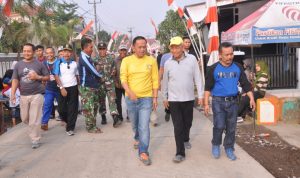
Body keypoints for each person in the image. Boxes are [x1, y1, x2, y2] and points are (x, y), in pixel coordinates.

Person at [204, 42, 255, 161]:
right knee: (219, 126)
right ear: (220, 55)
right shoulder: (213, 68)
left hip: (233, 102)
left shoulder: (237, 67)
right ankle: (216, 144)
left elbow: (245, 84)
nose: (230, 57)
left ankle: (229, 147)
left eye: (231, 54)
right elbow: (207, 88)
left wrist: (251, 98)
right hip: (218, 102)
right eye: (226, 55)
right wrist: (206, 104)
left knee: (231, 127)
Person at [162, 36, 204, 163]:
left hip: (189, 98)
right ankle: (180, 152)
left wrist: (201, 95)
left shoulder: (191, 60)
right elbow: (165, 81)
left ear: (182, 47)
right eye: (172, 48)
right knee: (178, 126)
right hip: (174, 100)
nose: (174, 50)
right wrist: (165, 97)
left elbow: (198, 77)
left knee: (188, 123)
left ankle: (186, 139)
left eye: (176, 47)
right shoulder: (168, 63)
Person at [120, 36, 159, 166]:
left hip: (146, 98)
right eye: (139, 47)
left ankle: (143, 151)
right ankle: (137, 137)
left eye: (144, 47)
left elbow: (155, 79)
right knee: (135, 125)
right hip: (131, 99)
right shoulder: (126, 61)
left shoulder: (152, 60)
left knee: (144, 126)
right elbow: (123, 79)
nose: (142, 49)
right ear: (133, 47)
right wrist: (130, 93)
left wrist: (154, 98)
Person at [11, 43, 50, 149]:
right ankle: (34, 129)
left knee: (34, 118)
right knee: (24, 118)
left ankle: (35, 139)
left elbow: (47, 77)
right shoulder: (18, 65)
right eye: (24, 51)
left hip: (37, 94)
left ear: (33, 52)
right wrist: (13, 94)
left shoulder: (39, 64)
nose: (26, 53)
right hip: (23, 95)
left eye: (29, 51)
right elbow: (15, 80)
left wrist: (37, 76)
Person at [78, 38, 103, 133]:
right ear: (85, 48)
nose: (92, 49)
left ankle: (93, 125)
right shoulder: (83, 57)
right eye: (91, 47)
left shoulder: (87, 57)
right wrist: (101, 76)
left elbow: (93, 65)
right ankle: (90, 127)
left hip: (93, 86)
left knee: (95, 106)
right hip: (87, 88)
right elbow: (93, 70)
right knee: (88, 108)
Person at [53, 44, 79, 136]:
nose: (67, 53)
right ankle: (67, 120)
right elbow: (56, 75)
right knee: (61, 109)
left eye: (68, 51)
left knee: (73, 108)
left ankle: (70, 128)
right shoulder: (58, 62)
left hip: (73, 87)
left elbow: (76, 75)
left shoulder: (74, 63)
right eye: (65, 51)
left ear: (71, 53)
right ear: (62, 53)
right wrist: (61, 88)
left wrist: (79, 87)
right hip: (62, 88)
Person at [94, 42, 121, 127]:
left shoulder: (111, 58)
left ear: (106, 49)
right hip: (100, 84)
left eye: (103, 49)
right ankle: (103, 117)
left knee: (112, 100)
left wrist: (113, 72)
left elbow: (114, 69)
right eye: (100, 49)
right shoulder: (95, 60)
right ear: (98, 50)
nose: (102, 50)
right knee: (101, 101)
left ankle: (115, 117)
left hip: (110, 83)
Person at [40, 47, 60, 131]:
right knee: (47, 105)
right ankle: (44, 123)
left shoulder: (59, 61)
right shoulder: (44, 63)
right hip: (49, 88)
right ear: (45, 54)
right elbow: (41, 74)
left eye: (51, 53)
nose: (49, 55)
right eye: (47, 53)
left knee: (62, 106)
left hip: (59, 88)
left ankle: (65, 120)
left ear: (54, 53)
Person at [114, 44, 129, 122]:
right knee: (118, 102)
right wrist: (115, 82)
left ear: (126, 51)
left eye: (124, 50)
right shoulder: (115, 60)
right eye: (121, 50)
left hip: (127, 85)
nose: (123, 51)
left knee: (128, 101)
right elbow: (114, 72)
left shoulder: (130, 59)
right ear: (119, 51)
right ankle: (120, 117)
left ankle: (129, 115)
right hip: (118, 85)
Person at [159, 52, 172, 122]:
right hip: (167, 81)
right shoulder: (165, 56)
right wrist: (159, 81)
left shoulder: (184, 55)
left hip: (178, 82)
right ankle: (168, 111)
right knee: (168, 97)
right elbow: (161, 69)